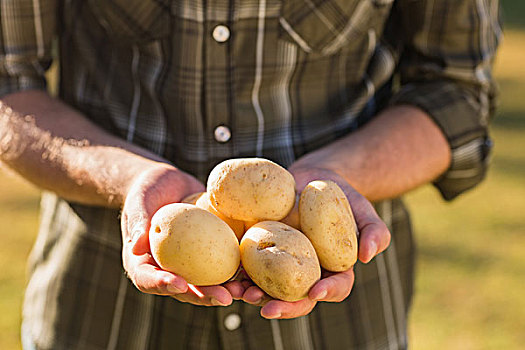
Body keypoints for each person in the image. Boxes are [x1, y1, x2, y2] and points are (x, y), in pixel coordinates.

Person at [0, 0, 500, 349]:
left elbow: (456, 92)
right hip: (101, 312)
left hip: (343, 328)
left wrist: (329, 183)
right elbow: (9, 81)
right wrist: (130, 178)